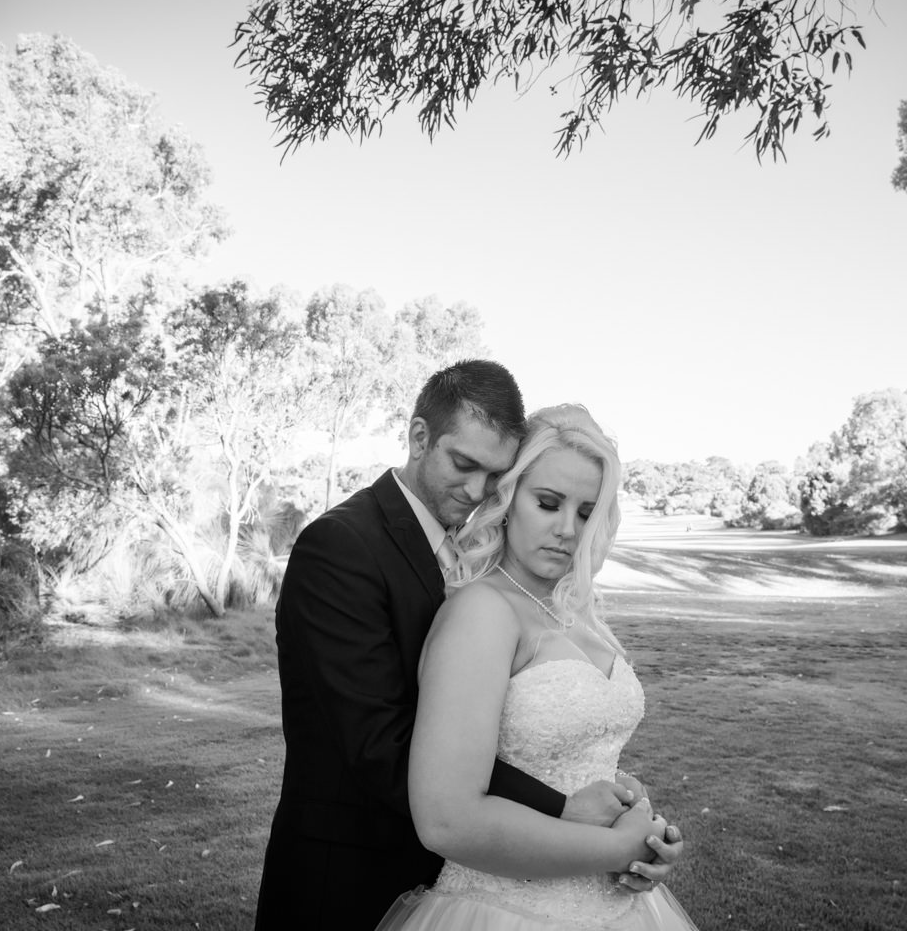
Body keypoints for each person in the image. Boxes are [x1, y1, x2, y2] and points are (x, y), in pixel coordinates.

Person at [254, 362, 682, 931]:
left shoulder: (487, 565)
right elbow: (381, 741)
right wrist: (568, 811)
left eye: (494, 474)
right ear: (418, 437)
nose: (478, 490)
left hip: (507, 868)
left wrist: (629, 820)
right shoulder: (342, 547)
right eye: (463, 464)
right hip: (352, 870)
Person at [375, 403, 699, 931]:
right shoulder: (482, 612)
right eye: (548, 503)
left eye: (587, 512)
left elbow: (581, 759)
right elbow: (447, 820)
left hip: (619, 909)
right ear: (507, 500)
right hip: (505, 909)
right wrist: (613, 847)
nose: (567, 529)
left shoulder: (576, 614)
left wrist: (642, 833)